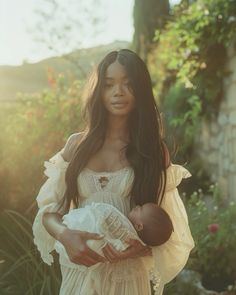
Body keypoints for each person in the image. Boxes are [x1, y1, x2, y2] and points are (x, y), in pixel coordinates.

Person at [32, 49, 195, 295]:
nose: (118, 92)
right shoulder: (77, 146)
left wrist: (142, 248)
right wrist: (65, 236)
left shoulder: (152, 151)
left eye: (128, 84)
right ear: (99, 91)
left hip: (127, 279)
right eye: (109, 85)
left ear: (140, 91)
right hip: (80, 275)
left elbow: (166, 231)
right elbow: (49, 212)